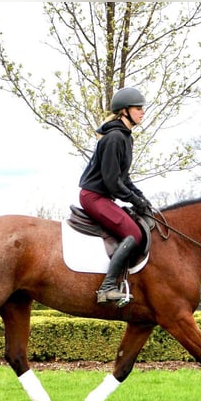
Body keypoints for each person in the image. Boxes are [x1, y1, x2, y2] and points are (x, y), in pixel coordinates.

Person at [78, 86, 153, 305]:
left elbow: (124, 178)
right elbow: (112, 181)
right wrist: (133, 200)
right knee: (134, 233)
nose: (142, 112)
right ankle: (107, 287)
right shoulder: (114, 138)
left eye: (142, 108)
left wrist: (141, 198)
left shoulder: (126, 138)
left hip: (103, 196)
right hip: (93, 196)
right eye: (138, 108)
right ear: (124, 111)